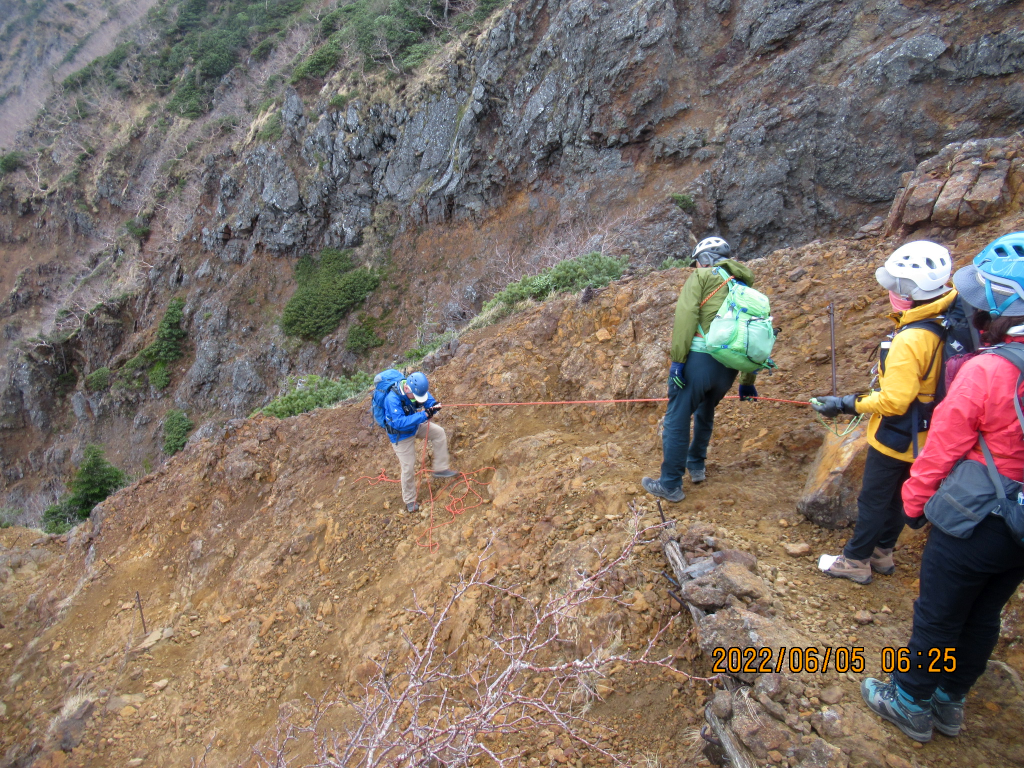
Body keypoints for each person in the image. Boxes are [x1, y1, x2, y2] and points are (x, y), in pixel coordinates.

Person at [860, 232, 1024, 743]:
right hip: (1021, 526)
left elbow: (942, 449)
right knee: (984, 613)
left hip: (977, 518)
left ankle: (909, 700)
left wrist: (912, 506)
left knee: (940, 612)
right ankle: (951, 703)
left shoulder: (988, 372)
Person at [811, 241, 956, 584]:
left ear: (909, 289)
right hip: (925, 434)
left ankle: (855, 560)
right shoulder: (946, 318)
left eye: (895, 285)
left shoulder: (912, 338)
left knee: (874, 499)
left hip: (896, 433)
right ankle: (882, 552)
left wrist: (846, 403)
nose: (891, 291)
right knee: (897, 497)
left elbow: (894, 401)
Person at [641, 237, 760, 503]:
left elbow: (686, 317)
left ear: (705, 259)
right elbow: (753, 336)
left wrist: (678, 361)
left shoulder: (703, 277)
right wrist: (747, 379)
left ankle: (670, 484)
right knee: (706, 411)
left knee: (677, 417)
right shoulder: (745, 287)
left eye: (696, 262)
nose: (695, 267)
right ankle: (696, 465)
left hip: (699, 361)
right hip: (729, 368)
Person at [381, 371, 458, 512]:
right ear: (407, 389)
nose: (418, 398)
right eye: (416, 396)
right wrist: (424, 415)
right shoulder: (392, 399)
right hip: (401, 435)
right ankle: (410, 500)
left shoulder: (413, 388)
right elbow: (398, 423)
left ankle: (440, 468)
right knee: (408, 466)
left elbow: (426, 397)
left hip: (415, 425)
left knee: (439, 433)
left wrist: (433, 404)